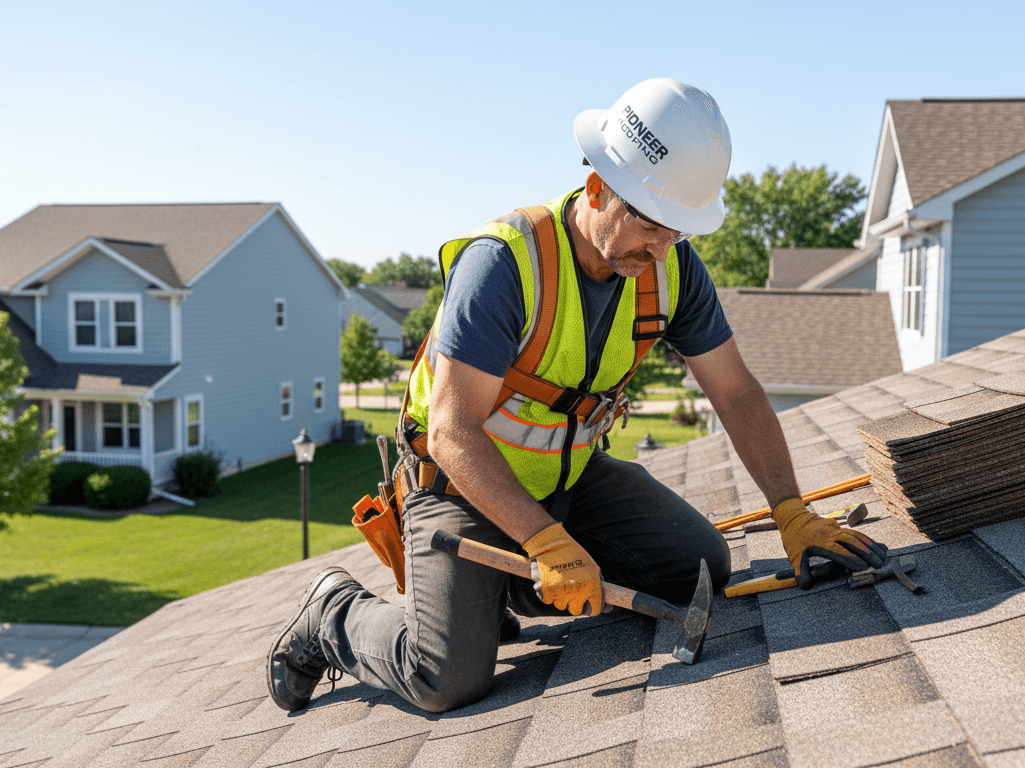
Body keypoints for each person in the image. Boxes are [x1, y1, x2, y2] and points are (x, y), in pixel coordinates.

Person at [268, 78, 888, 714]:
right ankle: (333, 612)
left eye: (681, 231)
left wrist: (790, 511)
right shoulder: (505, 265)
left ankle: (499, 585)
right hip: (461, 487)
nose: (664, 249)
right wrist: (544, 541)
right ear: (597, 188)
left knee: (701, 565)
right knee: (445, 677)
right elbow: (453, 430)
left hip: (568, 479)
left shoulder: (669, 265)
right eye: (653, 225)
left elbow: (735, 391)